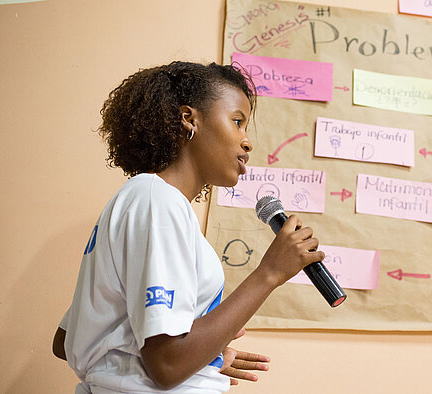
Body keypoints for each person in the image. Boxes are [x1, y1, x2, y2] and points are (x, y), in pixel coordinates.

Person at [52, 61, 325, 393]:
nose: (247, 142)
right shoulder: (158, 202)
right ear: (189, 118)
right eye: (237, 122)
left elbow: (66, 340)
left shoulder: (142, 199)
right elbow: (167, 366)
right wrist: (270, 272)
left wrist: (206, 352)